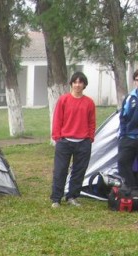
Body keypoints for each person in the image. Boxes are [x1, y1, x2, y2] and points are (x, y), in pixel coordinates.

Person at [50, 71, 96, 208]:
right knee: (60, 171)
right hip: (64, 141)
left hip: (83, 142)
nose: (77, 85)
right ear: (71, 84)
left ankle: (72, 196)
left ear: (84, 85)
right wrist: (57, 137)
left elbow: (91, 122)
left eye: (80, 82)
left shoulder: (89, 102)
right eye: (75, 82)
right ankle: (56, 198)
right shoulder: (63, 100)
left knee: (79, 171)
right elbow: (57, 119)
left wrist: (90, 138)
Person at [117, 69, 138, 197]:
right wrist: (123, 134)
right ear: (134, 81)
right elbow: (123, 118)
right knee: (123, 162)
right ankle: (132, 189)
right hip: (129, 137)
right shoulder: (130, 98)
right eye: (137, 80)